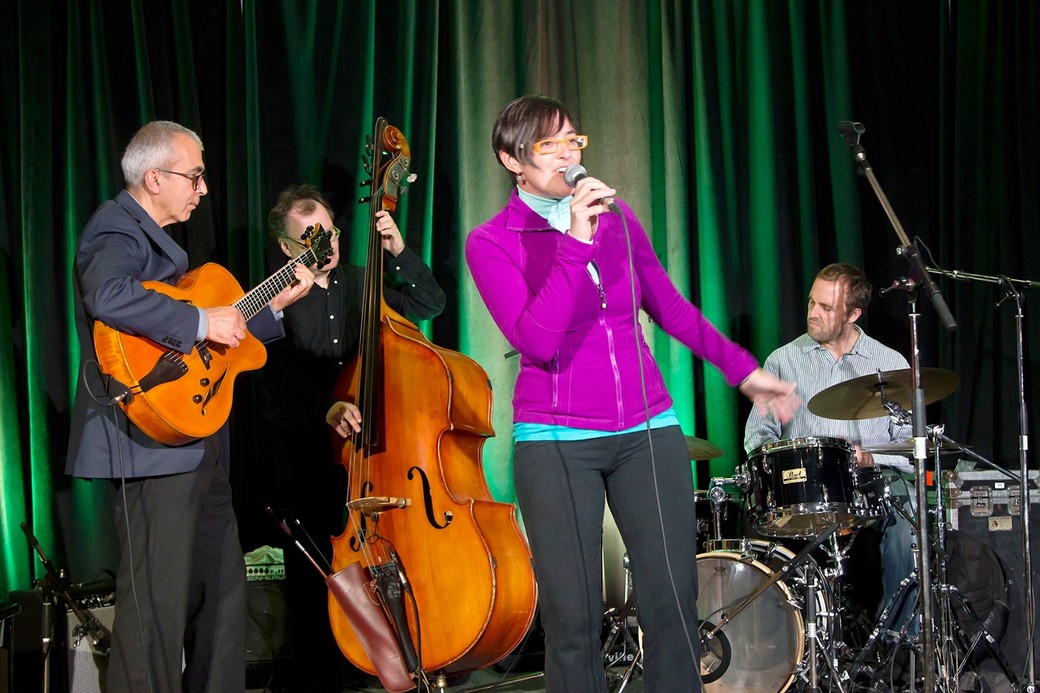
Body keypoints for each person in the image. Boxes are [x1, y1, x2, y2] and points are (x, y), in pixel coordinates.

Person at [464, 95, 799, 692]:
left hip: (646, 430)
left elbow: (669, 306)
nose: (567, 154)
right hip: (556, 439)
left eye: (573, 139)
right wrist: (574, 241)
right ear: (511, 160)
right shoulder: (492, 240)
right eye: (548, 144)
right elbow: (536, 340)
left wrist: (743, 371)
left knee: (672, 605)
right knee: (574, 620)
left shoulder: (617, 221)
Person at [66, 121, 314, 693]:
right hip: (150, 443)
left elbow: (208, 349)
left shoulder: (163, 244)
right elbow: (109, 295)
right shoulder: (115, 226)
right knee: (155, 604)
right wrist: (202, 320)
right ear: (154, 178)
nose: (203, 189)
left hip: (196, 440)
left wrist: (271, 308)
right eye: (194, 176)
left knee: (222, 590)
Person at [258, 183, 445, 691]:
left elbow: (430, 301)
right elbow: (273, 375)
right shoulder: (273, 300)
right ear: (287, 248)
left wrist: (398, 250)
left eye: (331, 233)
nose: (327, 244)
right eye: (311, 237)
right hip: (308, 453)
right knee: (319, 571)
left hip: (374, 452)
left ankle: (396, 663)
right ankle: (324, 679)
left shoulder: (364, 281)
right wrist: (326, 406)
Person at [743, 263, 916, 623]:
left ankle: (899, 641)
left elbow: (910, 447)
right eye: (811, 302)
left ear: (853, 314)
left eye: (825, 307)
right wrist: (786, 465)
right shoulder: (783, 361)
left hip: (873, 482)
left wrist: (870, 458)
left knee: (909, 527)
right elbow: (757, 437)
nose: (813, 313)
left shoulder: (889, 363)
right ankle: (795, 640)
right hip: (806, 487)